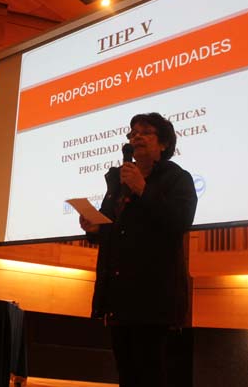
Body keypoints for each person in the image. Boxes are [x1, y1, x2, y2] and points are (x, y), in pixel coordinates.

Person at [79, 112, 197, 387]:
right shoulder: (118, 182)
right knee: (127, 374)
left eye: (145, 132)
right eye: (133, 134)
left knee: (150, 374)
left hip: (152, 297)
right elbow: (112, 229)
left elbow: (180, 221)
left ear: (164, 144)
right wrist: (94, 228)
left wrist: (143, 189)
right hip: (118, 296)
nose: (136, 137)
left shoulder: (177, 179)